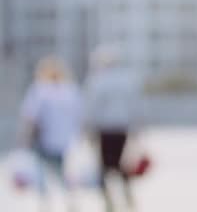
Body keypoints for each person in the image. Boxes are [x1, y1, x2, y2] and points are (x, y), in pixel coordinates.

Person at [18, 56, 82, 212]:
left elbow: (31, 117)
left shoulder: (40, 89)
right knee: (61, 171)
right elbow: (79, 115)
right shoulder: (70, 90)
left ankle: (45, 203)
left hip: (43, 139)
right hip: (65, 140)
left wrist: (24, 137)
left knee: (41, 171)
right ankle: (69, 200)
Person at [84, 45, 141, 212]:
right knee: (120, 163)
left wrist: (88, 129)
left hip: (104, 129)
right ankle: (125, 192)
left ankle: (108, 198)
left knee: (104, 165)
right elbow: (135, 105)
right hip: (122, 127)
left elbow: (91, 108)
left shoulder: (96, 80)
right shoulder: (128, 79)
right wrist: (137, 127)